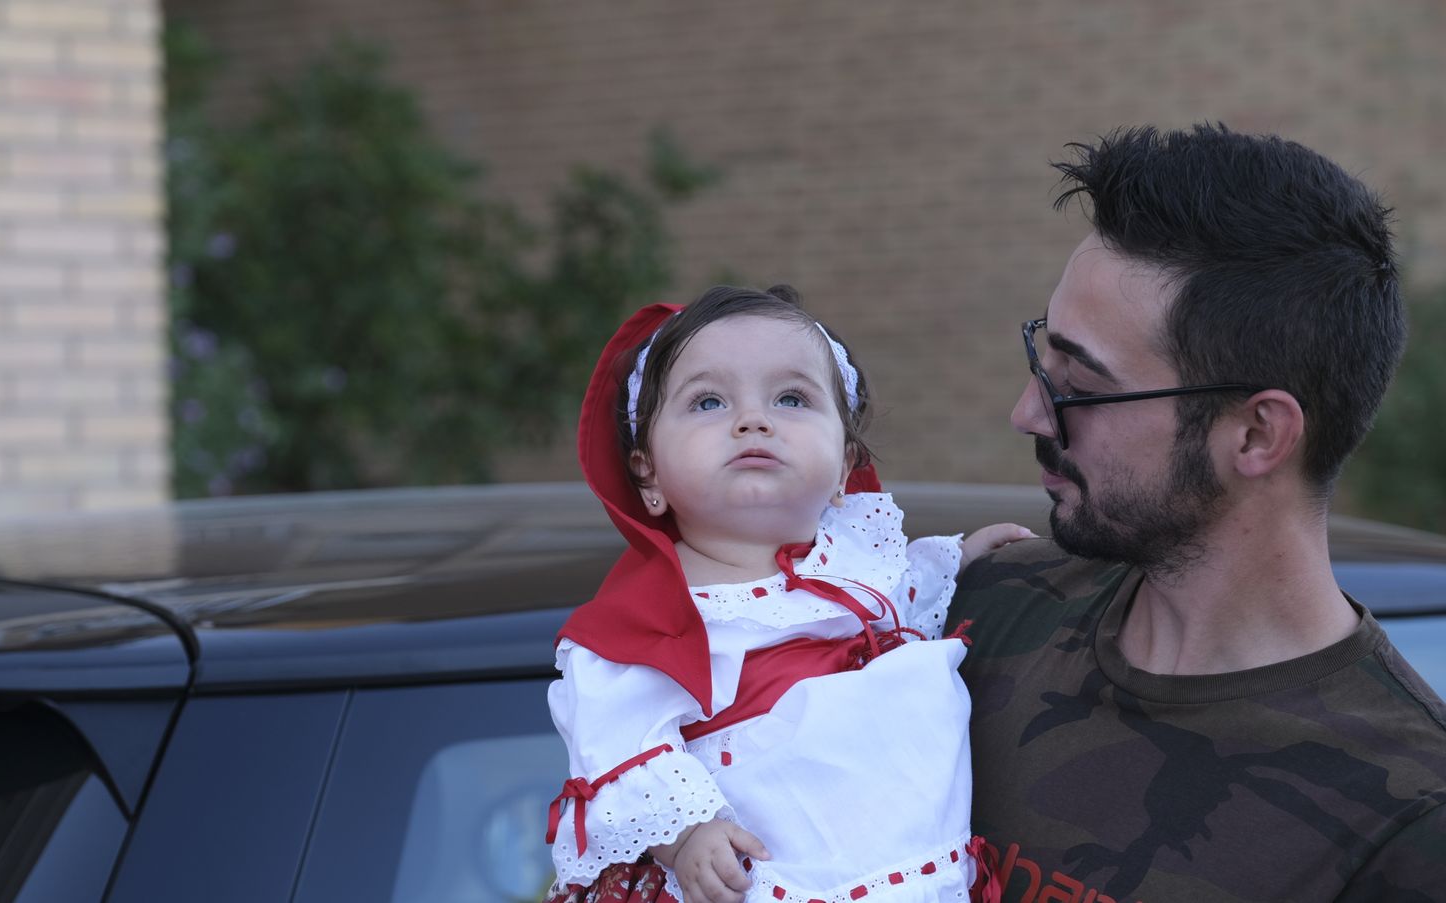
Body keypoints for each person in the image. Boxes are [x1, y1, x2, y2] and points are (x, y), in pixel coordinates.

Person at [949, 124, 1446, 902]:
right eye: (1041, 356)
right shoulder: (979, 616)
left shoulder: (1409, 820)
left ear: (1256, 434)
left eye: (1081, 386)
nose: (1030, 414)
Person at [545, 285, 1030, 903]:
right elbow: (619, 743)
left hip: (908, 868)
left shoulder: (863, 568)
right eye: (709, 401)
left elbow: (902, 597)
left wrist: (962, 560)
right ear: (648, 473)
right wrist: (687, 834)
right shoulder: (646, 625)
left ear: (843, 461)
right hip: (771, 879)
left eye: (792, 398)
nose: (754, 419)